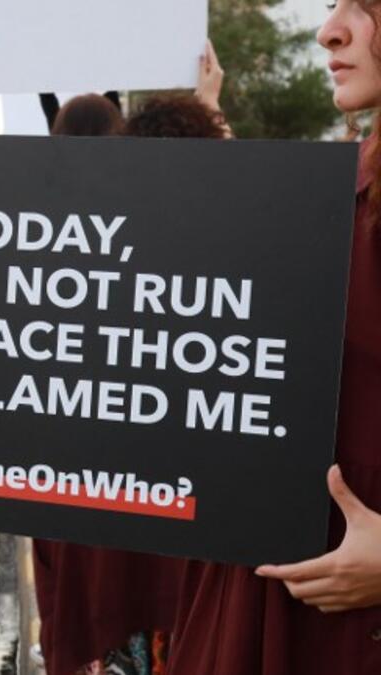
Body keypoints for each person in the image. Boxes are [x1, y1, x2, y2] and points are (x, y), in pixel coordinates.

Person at [0, 40, 228, 675]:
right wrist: (210, 107)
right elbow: (240, 196)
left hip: (71, 470)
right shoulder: (169, 220)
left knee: (86, 598)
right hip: (161, 468)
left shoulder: (44, 226)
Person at [166, 4, 381, 673]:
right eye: (332, 6)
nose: (331, 31)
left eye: (368, 5)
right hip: (266, 607)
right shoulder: (348, 181)